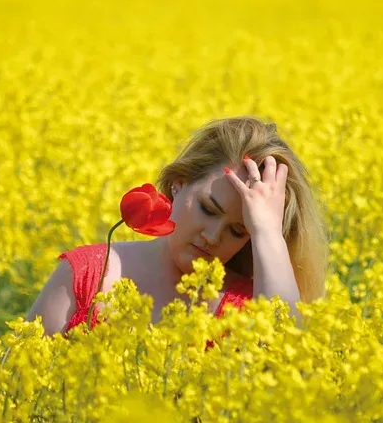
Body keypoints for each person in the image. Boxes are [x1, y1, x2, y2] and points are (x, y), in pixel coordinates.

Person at [26, 116, 329, 336]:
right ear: (178, 184)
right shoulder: (88, 275)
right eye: (208, 209)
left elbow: (287, 359)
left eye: (238, 231)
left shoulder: (251, 308)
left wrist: (267, 231)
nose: (212, 237)